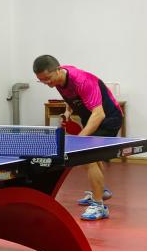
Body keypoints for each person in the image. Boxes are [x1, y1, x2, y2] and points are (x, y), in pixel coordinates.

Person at [33, 55, 123, 221]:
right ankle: (101, 191)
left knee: (87, 156)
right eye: (42, 81)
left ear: (58, 70)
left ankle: (99, 206)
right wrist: (68, 112)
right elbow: (72, 97)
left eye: (48, 78)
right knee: (88, 157)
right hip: (89, 118)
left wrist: (79, 140)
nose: (47, 83)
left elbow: (99, 114)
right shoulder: (58, 80)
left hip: (108, 118)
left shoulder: (82, 81)